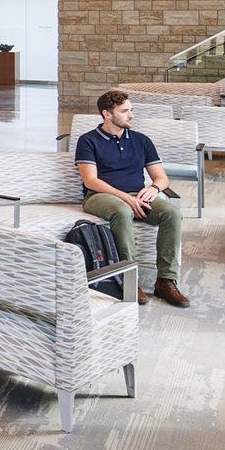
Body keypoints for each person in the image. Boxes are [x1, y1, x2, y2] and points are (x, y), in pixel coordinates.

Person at [74, 89, 190, 307]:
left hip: (139, 195)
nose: (131, 115)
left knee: (172, 213)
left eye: (131, 110)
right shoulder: (88, 141)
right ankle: (129, 279)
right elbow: (91, 180)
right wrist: (126, 199)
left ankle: (166, 280)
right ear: (107, 114)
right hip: (100, 196)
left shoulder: (141, 140)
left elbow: (162, 177)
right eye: (125, 111)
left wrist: (154, 189)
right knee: (121, 210)